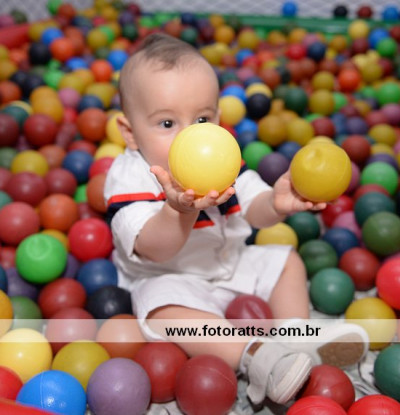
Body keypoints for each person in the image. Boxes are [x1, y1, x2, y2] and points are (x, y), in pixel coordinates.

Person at [104, 32, 368, 406]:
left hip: (230, 262)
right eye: (167, 124)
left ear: (218, 119)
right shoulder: (128, 178)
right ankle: (259, 357)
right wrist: (179, 210)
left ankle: (296, 339)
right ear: (130, 133)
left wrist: (275, 202)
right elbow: (153, 248)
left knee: (286, 260)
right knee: (161, 309)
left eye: (202, 119)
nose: (191, 137)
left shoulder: (221, 159)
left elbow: (252, 207)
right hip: (170, 279)